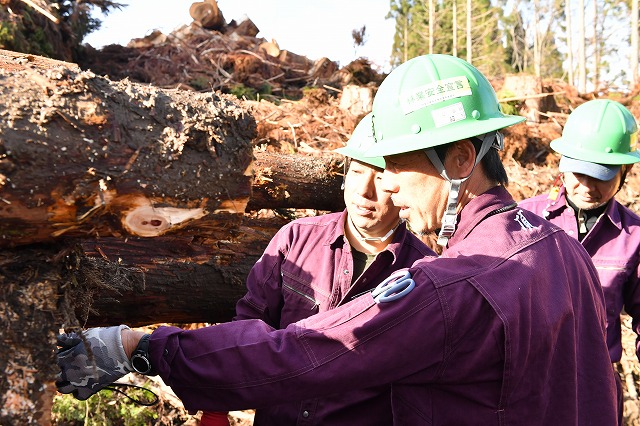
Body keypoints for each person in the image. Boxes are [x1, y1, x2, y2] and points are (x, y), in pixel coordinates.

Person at [57, 54, 618, 424]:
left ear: (461, 159)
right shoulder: (560, 248)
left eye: (397, 165)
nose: (388, 186)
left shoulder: (452, 287)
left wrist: (144, 347)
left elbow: (310, 350)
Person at [200, 113, 434, 425]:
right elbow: (248, 329)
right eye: (357, 172)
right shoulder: (295, 239)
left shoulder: (423, 274)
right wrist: (218, 405)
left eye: (379, 177)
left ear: (402, 185)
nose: (364, 191)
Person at [518, 98, 640, 423]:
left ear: (625, 171)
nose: (586, 186)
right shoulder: (522, 219)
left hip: (595, 388)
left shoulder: (634, 236)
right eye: (578, 172)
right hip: (528, 384)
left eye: (600, 175)